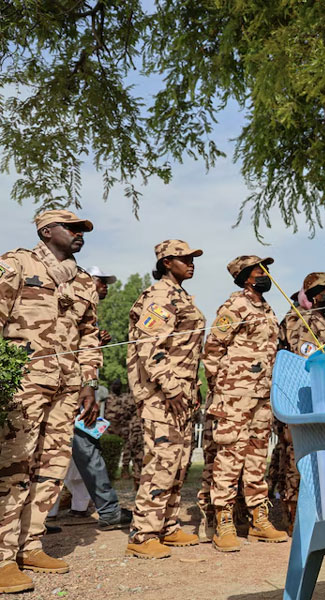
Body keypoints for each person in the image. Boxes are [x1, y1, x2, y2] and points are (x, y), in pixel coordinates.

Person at [0, 210, 102, 592]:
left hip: (66, 386)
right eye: (72, 228)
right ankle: (3, 556)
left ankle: (30, 544)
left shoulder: (84, 281)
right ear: (46, 230)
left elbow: (89, 335)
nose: (79, 234)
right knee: (14, 466)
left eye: (82, 230)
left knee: (52, 467)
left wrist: (88, 382)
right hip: (22, 384)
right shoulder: (16, 264)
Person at [125, 240, 205, 559]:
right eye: (184, 258)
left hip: (182, 391)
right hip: (162, 393)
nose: (191, 263)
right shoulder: (159, 295)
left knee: (180, 460)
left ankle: (167, 525)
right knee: (162, 459)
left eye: (192, 258)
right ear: (167, 262)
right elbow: (151, 345)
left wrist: (192, 389)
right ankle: (143, 533)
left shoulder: (180, 295)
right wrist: (171, 388)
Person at [202, 255, 287, 552]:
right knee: (230, 454)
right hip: (235, 395)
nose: (266, 274)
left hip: (262, 394)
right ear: (245, 276)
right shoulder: (234, 306)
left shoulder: (267, 308)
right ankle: (223, 519)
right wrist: (221, 388)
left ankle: (257, 518)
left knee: (256, 456)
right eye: (260, 270)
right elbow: (212, 348)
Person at [270, 273, 325, 534]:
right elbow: (305, 360)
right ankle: (296, 518)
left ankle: (323, 516)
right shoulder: (300, 320)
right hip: (303, 400)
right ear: (315, 295)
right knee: (298, 460)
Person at [61, 268, 132, 531]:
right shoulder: (66, 301)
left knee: (82, 452)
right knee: (82, 451)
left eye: (106, 283)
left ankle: (44, 516)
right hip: (65, 394)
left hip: (79, 394)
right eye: (101, 282)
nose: (105, 287)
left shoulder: (89, 314)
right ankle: (108, 510)